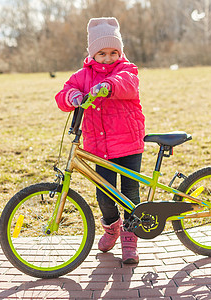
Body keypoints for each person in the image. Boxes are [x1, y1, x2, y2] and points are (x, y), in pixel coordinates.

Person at [55, 17, 145, 264]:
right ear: (92, 53)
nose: (108, 58)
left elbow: (128, 85)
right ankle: (112, 228)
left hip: (128, 143)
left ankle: (130, 239)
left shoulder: (126, 70)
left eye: (114, 52)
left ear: (120, 51)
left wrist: (108, 85)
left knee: (130, 193)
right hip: (99, 148)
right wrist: (73, 96)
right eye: (102, 53)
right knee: (104, 195)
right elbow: (62, 95)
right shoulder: (82, 76)